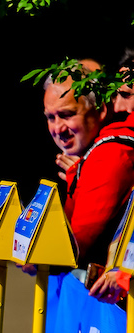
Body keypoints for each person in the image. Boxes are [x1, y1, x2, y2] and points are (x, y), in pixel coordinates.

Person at [40, 68, 134, 302]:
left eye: (67, 114)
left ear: (100, 110)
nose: (57, 128)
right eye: (50, 117)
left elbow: (72, 248)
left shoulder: (109, 155)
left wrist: (35, 257)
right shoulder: (92, 156)